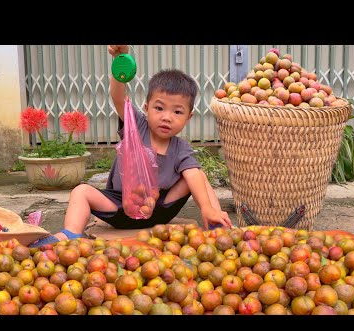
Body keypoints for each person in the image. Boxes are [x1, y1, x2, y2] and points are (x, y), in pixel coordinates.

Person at [29, 45, 232, 247]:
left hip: (159, 209)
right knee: (81, 191)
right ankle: (70, 234)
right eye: (159, 108)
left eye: (177, 112)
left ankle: (214, 220)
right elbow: (118, 97)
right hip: (119, 206)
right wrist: (121, 59)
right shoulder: (136, 125)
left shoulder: (180, 148)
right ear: (146, 108)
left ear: (189, 118)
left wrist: (206, 207)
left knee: (197, 175)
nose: (166, 117)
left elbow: (193, 176)